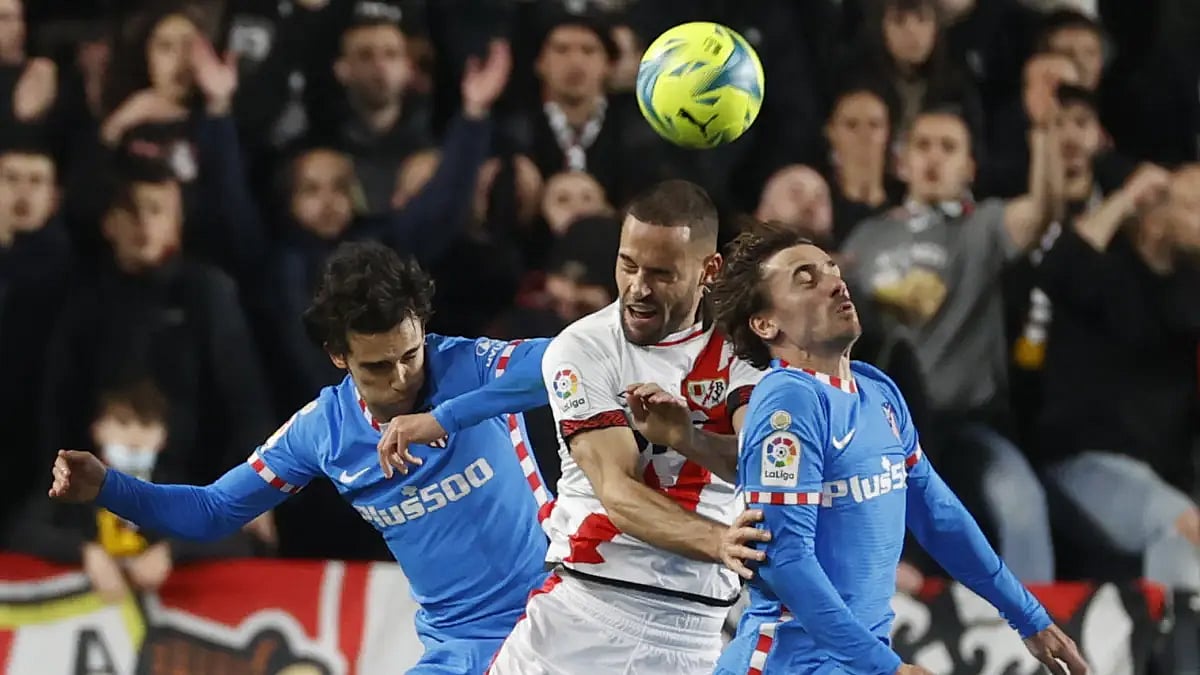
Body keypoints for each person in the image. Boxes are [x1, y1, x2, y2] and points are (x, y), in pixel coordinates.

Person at [47, 241, 553, 675]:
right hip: (461, 647)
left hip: (559, 608)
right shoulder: (322, 432)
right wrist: (110, 487)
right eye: (377, 367)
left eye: (409, 355)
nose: (400, 378)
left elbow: (565, 362)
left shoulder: (475, 366)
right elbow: (212, 512)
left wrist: (445, 418)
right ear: (339, 355)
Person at [705, 223, 1087, 675]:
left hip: (856, 663)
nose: (834, 281)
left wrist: (1027, 614)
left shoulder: (878, 391)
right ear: (766, 323)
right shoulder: (788, 401)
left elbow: (938, 515)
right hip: (789, 664)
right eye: (805, 279)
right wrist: (885, 667)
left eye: (830, 268)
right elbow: (785, 560)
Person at [486, 179, 769, 675]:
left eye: (662, 273)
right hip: (583, 618)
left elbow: (756, 464)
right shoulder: (583, 348)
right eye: (628, 265)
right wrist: (721, 542)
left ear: (709, 270)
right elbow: (616, 492)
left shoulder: (743, 352)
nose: (638, 287)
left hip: (695, 633)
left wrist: (688, 438)